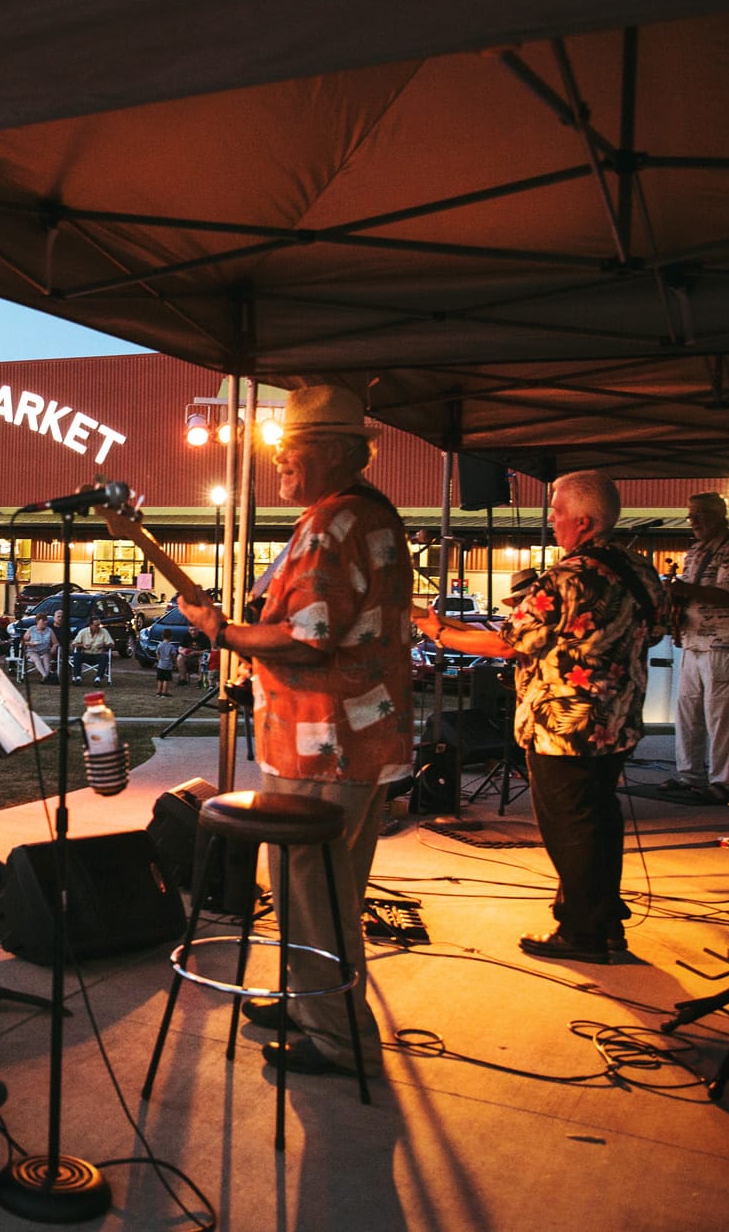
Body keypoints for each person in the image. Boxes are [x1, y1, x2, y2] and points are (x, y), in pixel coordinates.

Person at [182, 384, 414, 1078]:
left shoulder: (331, 522)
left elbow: (309, 637)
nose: (280, 458)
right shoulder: (371, 514)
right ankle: (310, 998)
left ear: (341, 452)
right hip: (363, 740)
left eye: (295, 448)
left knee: (311, 893)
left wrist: (223, 630)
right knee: (329, 888)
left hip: (322, 742)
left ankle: (339, 1038)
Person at [420, 468, 666, 966]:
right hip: (616, 718)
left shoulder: (567, 576)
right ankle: (602, 916)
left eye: (556, 511)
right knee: (599, 815)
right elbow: (658, 629)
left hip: (564, 725)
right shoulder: (640, 570)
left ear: (585, 521)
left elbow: (507, 644)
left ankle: (583, 932)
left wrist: (436, 633)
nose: (550, 520)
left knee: (569, 825)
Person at [662, 491, 729, 799]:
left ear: (720, 516)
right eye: (691, 516)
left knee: (720, 713)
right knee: (688, 710)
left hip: (722, 642)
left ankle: (723, 782)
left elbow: (728, 593)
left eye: (701, 515)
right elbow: (688, 594)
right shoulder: (696, 551)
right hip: (692, 640)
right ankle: (690, 775)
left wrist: (683, 589)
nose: (694, 522)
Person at [70, 615, 114, 681]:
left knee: (105, 657)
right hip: (86, 654)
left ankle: (98, 678)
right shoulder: (83, 632)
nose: (98, 627)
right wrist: (82, 645)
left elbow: (112, 645)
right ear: (90, 625)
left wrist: (104, 645)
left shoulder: (104, 631)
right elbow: (74, 644)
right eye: (96, 625)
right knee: (77, 655)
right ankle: (77, 677)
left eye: (99, 625)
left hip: (98, 655)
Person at [22, 614, 57, 683]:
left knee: (46, 658)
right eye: (43, 620)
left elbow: (55, 643)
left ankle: (45, 677)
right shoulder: (31, 629)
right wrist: (30, 644)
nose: (45, 622)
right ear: (37, 621)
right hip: (32, 651)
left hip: (45, 651)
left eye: (46, 620)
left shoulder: (49, 630)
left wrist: (54, 647)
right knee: (36, 657)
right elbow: (23, 642)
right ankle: (45, 676)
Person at [154, 631, 177, 697]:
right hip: (168, 665)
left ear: (162, 636)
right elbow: (173, 655)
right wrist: (174, 663)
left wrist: (159, 659)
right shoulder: (171, 646)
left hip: (161, 664)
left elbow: (157, 653)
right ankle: (165, 692)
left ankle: (158, 692)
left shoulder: (160, 645)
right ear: (171, 637)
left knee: (160, 679)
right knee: (166, 679)